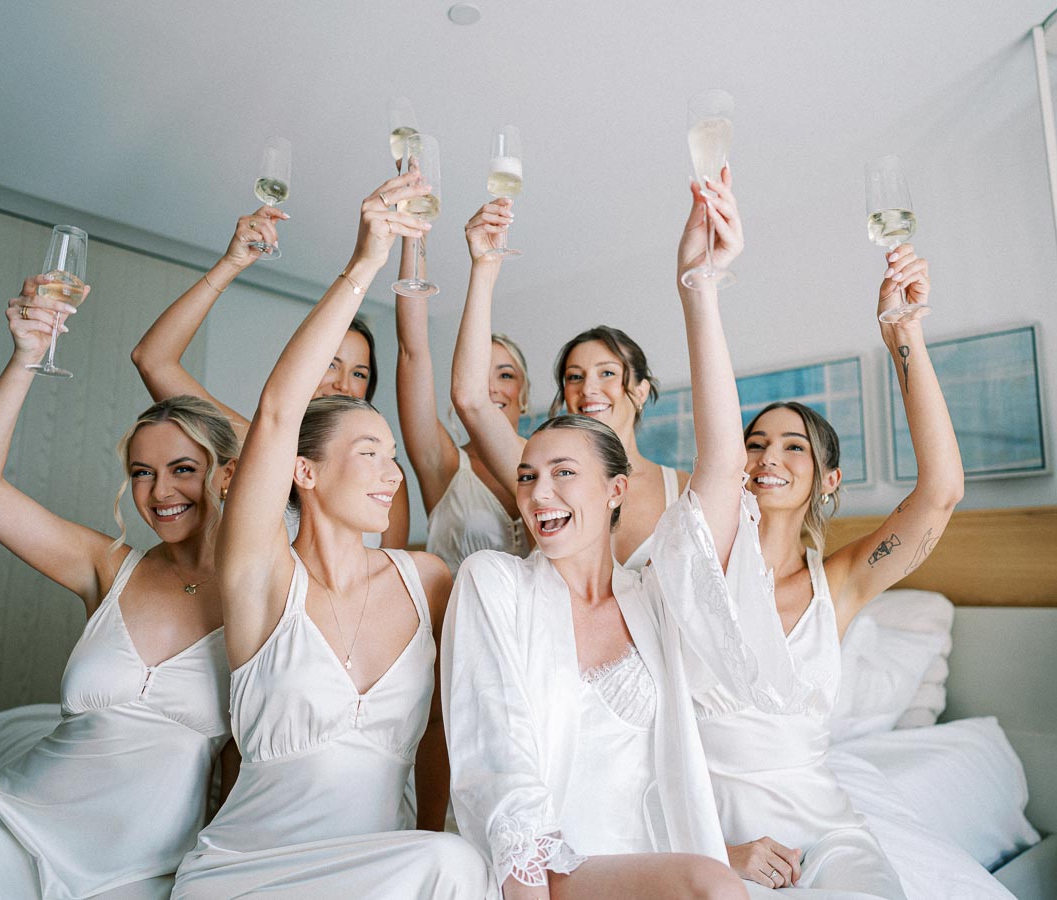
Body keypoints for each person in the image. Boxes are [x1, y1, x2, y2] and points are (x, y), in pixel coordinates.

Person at [170, 172, 488, 899]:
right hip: (250, 873)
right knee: (452, 868)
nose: (390, 472)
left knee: (455, 862)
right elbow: (279, 411)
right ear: (304, 474)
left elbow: (441, 734)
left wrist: (431, 831)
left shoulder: (427, 581)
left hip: (380, 871)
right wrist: (366, 262)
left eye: (393, 456)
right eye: (368, 453)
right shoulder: (261, 577)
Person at [441, 179, 752, 900]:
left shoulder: (659, 590)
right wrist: (483, 267)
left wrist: (700, 285)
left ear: (615, 491)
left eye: (562, 475)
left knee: (711, 882)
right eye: (527, 477)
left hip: (644, 856)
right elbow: (498, 755)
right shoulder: (496, 582)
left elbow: (727, 463)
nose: (540, 493)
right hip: (545, 865)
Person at [668, 207, 965, 894]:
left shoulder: (842, 582)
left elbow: (942, 491)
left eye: (793, 446)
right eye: (756, 442)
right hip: (708, 829)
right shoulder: (693, 569)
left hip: (823, 831)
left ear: (829, 479)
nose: (769, 456)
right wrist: (716, 851)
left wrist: (903, 333)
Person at [0, 278, 234, 899]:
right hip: (11, 828)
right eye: (141, 473)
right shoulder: (108, 566)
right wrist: (26, 358)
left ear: (227, 476)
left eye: (183, 470)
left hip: (143, 870)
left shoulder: (264, 592)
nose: (160, 493)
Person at [130, 207, 410, 549]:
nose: (343, 384)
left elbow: (390, 565)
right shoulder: (253, 443)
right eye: (330, 365)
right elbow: (153, 360)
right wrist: (231, 264)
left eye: (359, 373)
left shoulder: (387, 477)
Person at [451, 201, 686, 571]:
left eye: (607, 373)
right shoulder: (536, 470)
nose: (588, 388)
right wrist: (484, 268)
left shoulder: (684, 491)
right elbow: (471, 399)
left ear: (641, 392)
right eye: (574, 377)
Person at [395, 226, 530, 575]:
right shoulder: (445, 464)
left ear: (525, 394)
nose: (492, 388)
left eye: (505, 375)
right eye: (479, 374)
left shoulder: (550, 463)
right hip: (455, 629)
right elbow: (413, 352)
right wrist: (415, 228)